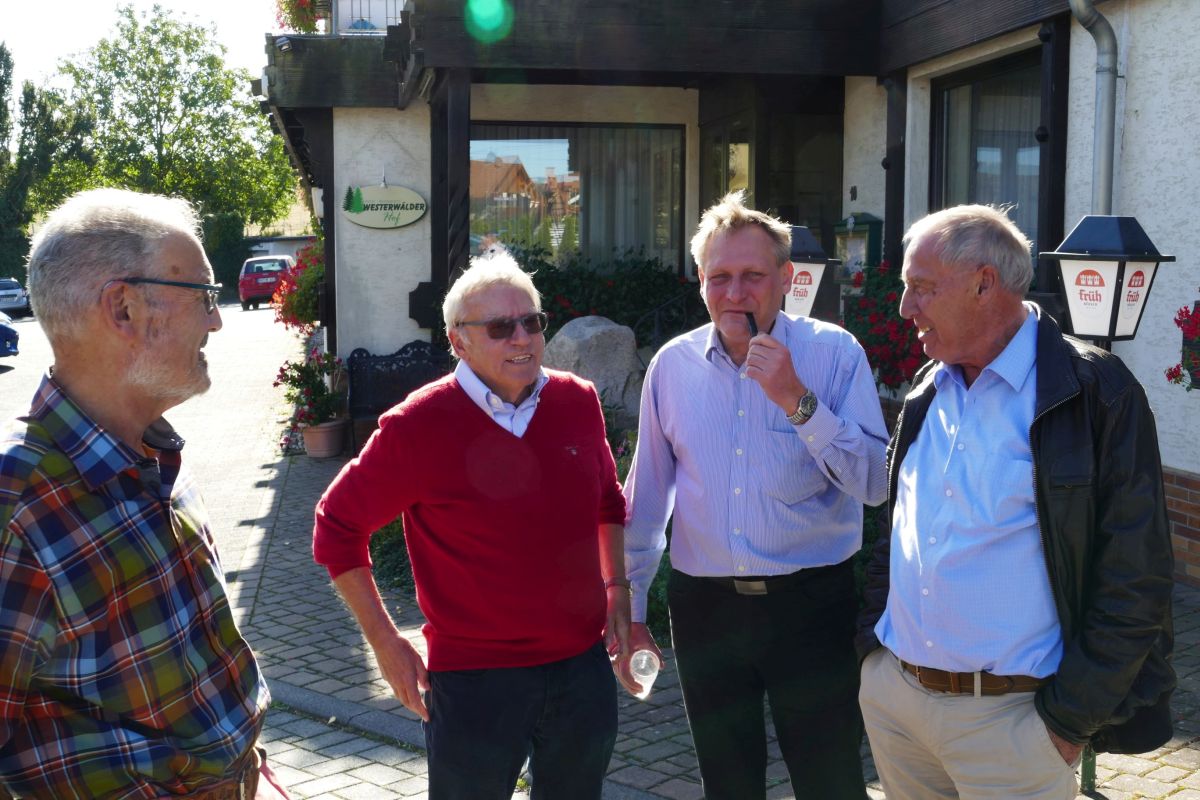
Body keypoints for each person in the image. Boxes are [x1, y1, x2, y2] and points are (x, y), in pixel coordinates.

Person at [856, 204, 1175, 799]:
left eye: (921, 288)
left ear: (985, 284)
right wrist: (873, 664)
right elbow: (899, 526)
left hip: (1014, 724)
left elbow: (1137, 577)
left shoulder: (1095, 392)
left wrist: (1067, 724)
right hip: (897, 706)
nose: (905, 308)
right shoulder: (929, 388)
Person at [312, 253, 634, 799]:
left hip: (581, 669)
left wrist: (618, 590)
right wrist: (385, 643)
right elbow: (336, 527)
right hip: (475, 681)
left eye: (531, 321)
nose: (522, 338)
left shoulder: (576, 400)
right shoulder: (417, 424)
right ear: (458, 342)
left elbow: (607, 501)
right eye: (501, 327)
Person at [0, 188, 288, 798]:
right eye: (203, 295)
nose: (216, 318)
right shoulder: (19, 503)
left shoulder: (153, 451)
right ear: (123, 309)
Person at [620, 191, 888, 799]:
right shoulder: (673, 366)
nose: (735, 293)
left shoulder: (834, 354)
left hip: (810, 605)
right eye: (720, 277)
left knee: (830, 781)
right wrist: (631, 612)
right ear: (700, 282)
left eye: (753, 276)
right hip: (705, 610)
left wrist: (797, 400)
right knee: (727, 783)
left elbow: (874, 485)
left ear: (787, 279)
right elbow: (647, 500)